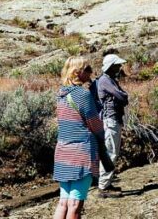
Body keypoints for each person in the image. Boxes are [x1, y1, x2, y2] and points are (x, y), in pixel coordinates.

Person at [53, 56, 113, 219]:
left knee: (63, 202)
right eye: (87, 69)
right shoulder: (82, 95)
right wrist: (102, 137)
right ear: (77, 72)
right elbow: (94, 124)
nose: (91, 72)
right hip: (81, 153)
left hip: (63, 152)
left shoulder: (61, 94)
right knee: (75, 205)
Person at [92, 53, 129, 194]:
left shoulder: (107, 80)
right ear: (111, 66)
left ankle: (106, 184)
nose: (120, 67)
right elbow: (122, 96)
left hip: (112, 119)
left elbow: (122, 97)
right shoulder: (105, 80)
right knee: (111, 153)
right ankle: (103, 186)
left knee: (112, 151)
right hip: (111, 120)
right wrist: (122, 95)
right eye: (117, 65)